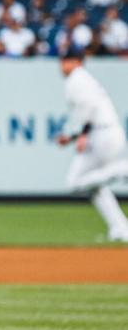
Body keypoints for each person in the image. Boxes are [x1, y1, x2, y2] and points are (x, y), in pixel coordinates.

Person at [56, 49, 128, 242]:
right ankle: (120, 228)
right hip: (105, 131)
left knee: (74, 182)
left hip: (101, 134)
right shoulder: (83, 79)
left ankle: (122, 169)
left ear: (77, 62)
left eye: (66, 61)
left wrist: (82, 134)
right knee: (95, 185)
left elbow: (89, 106)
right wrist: (73, 136)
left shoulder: (77, 78)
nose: (61, 65)